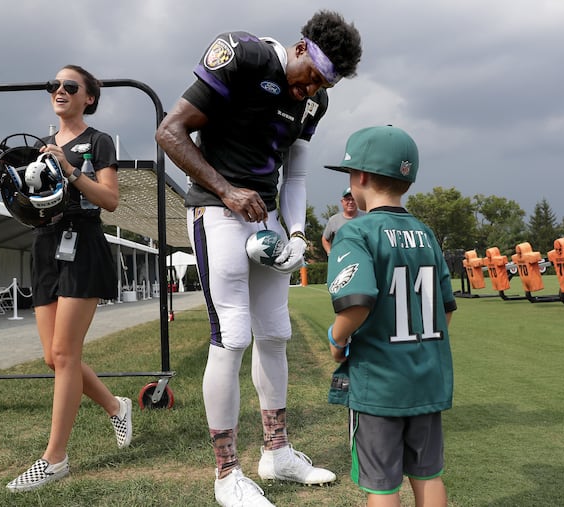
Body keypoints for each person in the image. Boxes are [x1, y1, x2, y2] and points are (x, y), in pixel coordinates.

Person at [155, 10, 362, 507]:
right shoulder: (243, 56)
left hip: (264, 216)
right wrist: (226, 191)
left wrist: (294, 233)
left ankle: (277, 452)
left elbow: (294, 176)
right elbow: (170, 132)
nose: (312, 89)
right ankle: (226, 473)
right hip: (216, 208)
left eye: (324, 83)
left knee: (276, 333)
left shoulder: (316, 102)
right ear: (298, 48)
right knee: (232, 333)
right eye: (311, 75)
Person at [0, 65, 132, 492]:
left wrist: (70, 169)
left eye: (69, 86)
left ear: (89, 98)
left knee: (65, 354)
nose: (59, 91)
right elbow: (31, 195)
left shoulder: (98, 141)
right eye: (54, 86)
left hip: (83, 241)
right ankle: (116, 407)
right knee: (53, 357)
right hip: (45, 243)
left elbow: (111, 200)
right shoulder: (41, 145)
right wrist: (8, 171)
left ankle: (55, 458)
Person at [324, 126, 456, 507]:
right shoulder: (427, 235)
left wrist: (337, 340)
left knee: (382, 486)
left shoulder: (356, 232)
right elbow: (445, 308)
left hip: (380, 383)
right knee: (428, 476)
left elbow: (357, 301)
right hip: (427, 380)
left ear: (361, 176)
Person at [322, 186, 364, 254]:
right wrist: (330, 254)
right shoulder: (334, 220)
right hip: (341, 259)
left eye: (353, 199)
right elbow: (325, 239)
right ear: (342, 201)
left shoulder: (366, 218)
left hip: (360, 257)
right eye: (348, 199)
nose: (350, 202)